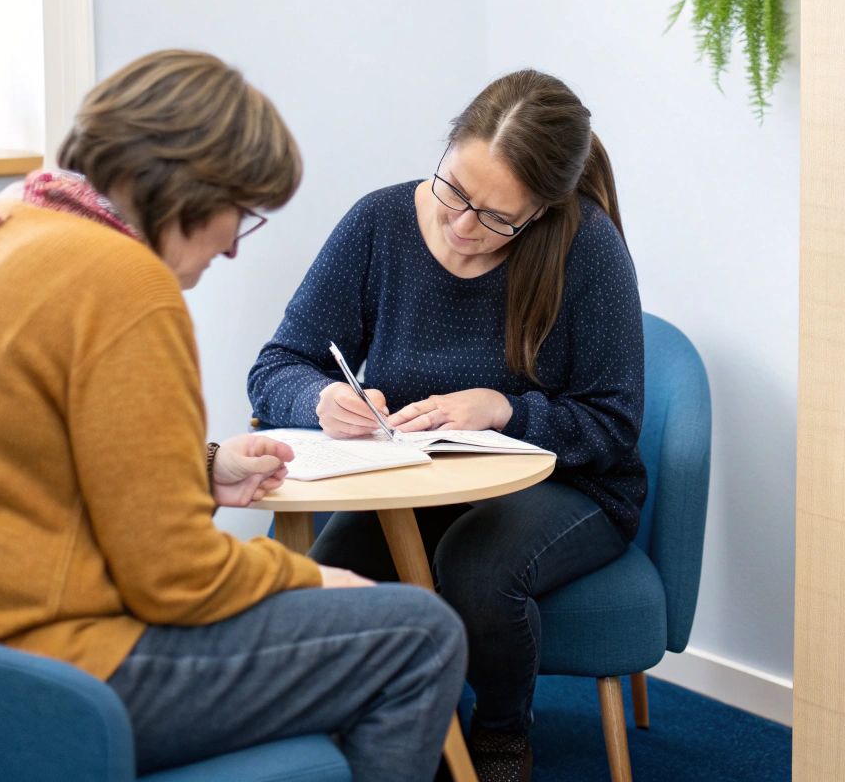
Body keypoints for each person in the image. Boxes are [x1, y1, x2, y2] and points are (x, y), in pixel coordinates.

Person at [0, 50, 467, 780]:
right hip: (15, 669)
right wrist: (309, 579)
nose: (229, 247)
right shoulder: (126, 283)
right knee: (419, 633)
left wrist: (201, 466)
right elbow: (176, 580)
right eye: (239, 214)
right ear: (189, 183)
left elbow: (21, 452)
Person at [249, 69, 645, 781]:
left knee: (477, 569)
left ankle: (499, 738)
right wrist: (318, 398)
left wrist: (506, 410)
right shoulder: (379, 224)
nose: (463, 227)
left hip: (572, 487)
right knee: (324, 585)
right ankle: (396, 733)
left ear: (542, 213)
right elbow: (279, 362)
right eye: (454, 193)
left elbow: (614, 423)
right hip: (417, 484)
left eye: (496, 219)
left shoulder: (585, 246)